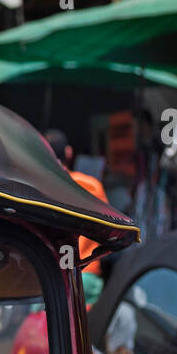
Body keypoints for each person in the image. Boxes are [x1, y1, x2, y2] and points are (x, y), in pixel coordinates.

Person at [44, 129, 109, 304]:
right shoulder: (92, 186)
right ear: (69, 152)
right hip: (87, 276)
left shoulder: (40, 189)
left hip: (51, 278)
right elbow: (107, 232)